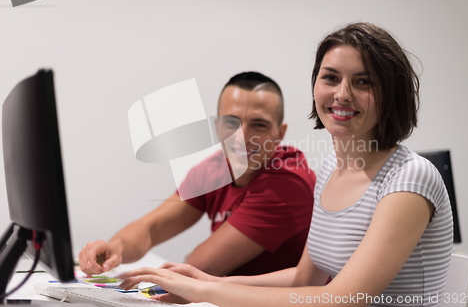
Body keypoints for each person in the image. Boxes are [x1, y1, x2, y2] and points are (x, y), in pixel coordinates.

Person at [119, 23, 454, 307]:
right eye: (330, 78)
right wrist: (205, 281)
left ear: (391, 94)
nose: (342, 94)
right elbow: (305, 276)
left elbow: (342, 299)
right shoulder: (330, 171)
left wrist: (208, 290)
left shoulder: (410, 177)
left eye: (363, 81)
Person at [79, 72, 316, 277]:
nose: (242, 137)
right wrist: (115, 249)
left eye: (259, 125)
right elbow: (151, 229)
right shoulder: (213, 169)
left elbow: (199, 268)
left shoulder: (289, 183)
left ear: (280, 133)